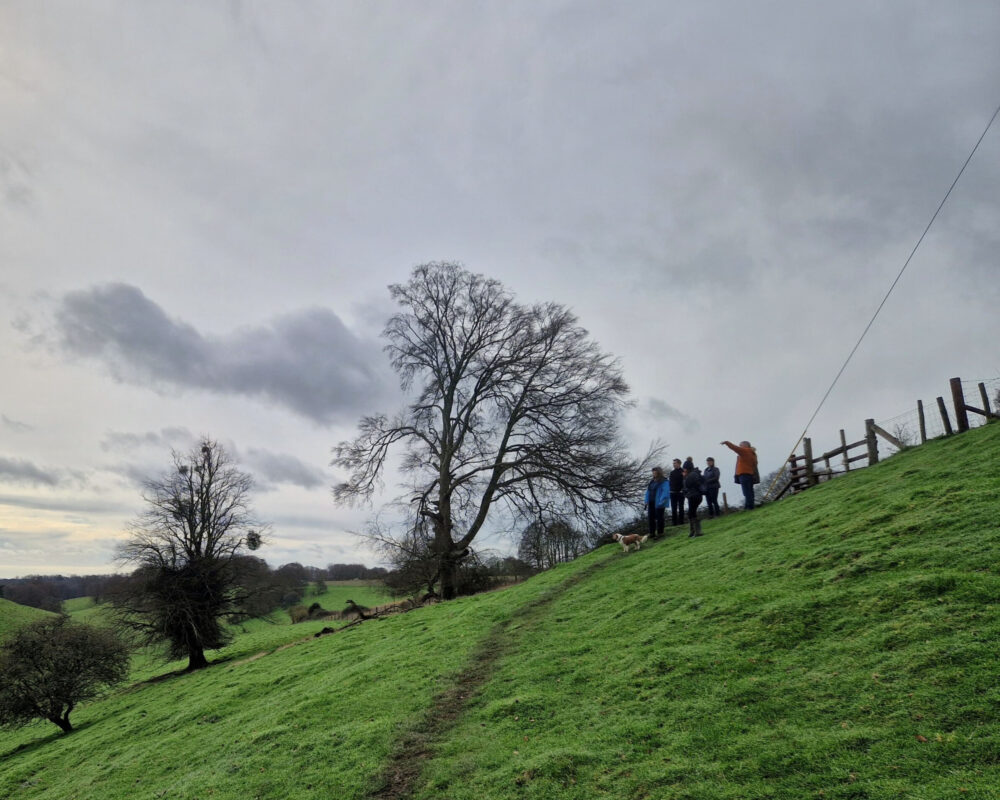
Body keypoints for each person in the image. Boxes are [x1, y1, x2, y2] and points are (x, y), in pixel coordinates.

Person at [721, 439, 758, 510]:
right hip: (750, 474)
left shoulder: (745, 451)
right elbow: (755, 464)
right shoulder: (753, 454)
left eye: (741, 445)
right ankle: (749, 506)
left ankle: (749, 507)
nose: (739, 446)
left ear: (745, 445)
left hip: (743, 474)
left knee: (746, 492)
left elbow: (734, 448)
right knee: (750, 491)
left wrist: (726, 442)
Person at [643, 466, 670, 539]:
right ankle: (652, 533)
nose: (653, 474)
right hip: (651, 502)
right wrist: (646, 501)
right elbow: (648, 491)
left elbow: (665, 492)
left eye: (655, 472)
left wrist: (661, 501)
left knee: (659, 518)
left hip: (659, 503)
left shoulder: (664, 481)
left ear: (658, 472)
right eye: (653, 472)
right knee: (651, 518)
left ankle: (660, 533)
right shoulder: (652, 481)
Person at [683, 464, 704, 537]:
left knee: (691, 513)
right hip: (695, 495)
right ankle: (693, 531)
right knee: (691, 513)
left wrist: (684, 478)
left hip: (694, 496)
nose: (684, 470)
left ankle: (697, 531)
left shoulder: (691, 475)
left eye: (684, 469)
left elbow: (687, 485)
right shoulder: (694, 474)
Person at [668, 458, 686, 526]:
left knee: (681, 507)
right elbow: (670, 482)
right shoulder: (672, 472)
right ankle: (674, 523)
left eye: (675, 463)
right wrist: (670, 490)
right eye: (673, 463)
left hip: (680, 492)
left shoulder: (683, 471)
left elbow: (684, 481)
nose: (673, 464)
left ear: (679, 463)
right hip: (673, 492)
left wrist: (682, 490)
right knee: (673, 508)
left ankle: (681, 521)